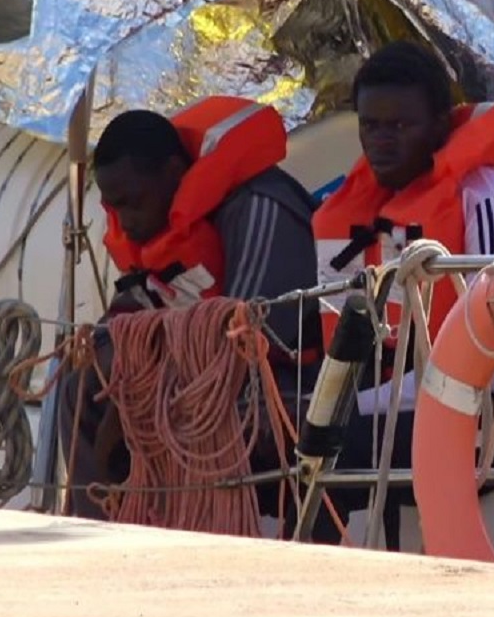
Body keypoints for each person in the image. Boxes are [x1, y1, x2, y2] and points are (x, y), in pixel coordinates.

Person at [310, 41, 494, 546]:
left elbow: (486, 357)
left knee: (328, 441)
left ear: (441, 126)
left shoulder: (492, 202)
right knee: (295, 433)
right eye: (370, 126)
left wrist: (353, 408)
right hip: (421, 404)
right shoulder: (367, 212)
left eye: (400, 127)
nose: (382, 141)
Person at [59, 96, 321, 521]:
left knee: (195, 407)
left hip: (284, 388)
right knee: (83, 385)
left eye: (132, 201)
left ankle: (197, 534)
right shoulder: (155, 223)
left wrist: (138, 402)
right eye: (114, 206)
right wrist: (122, 387)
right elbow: (125, 321)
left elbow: (243, 337)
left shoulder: (259, 206)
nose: (123, 221)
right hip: (189, 373)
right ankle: (96, 524)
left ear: (174, 174)